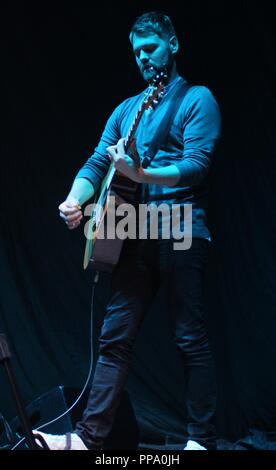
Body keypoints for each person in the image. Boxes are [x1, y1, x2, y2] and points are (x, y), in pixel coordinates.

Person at [34, 11, 221, 451]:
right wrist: (75, 199)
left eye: (151, 47)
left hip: (180, 225)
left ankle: (201, 441)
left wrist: (141, 175)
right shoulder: (127, 110)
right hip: (131, 228)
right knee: (114, 337)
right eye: (137, 51)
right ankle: (88, 438)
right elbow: (98, 161)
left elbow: (196, 168)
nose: (143, 57)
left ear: (173, 45)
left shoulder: (197, 99)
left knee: (189, 337)